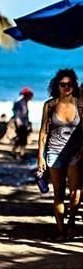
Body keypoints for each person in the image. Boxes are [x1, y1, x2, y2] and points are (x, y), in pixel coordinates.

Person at [37, 69, 83, 240]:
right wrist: (40, 157)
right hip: (54, 152)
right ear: (57, 86)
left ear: (74, 86)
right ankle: (61, 230)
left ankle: (71, 222)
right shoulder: (50, 105)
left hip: (74, 153)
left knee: (75, 192)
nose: (66, 87)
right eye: (63, 85)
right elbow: (43, 132)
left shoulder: (80, 104)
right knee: (58, 192)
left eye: (70, 84)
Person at [13, 87, 34, 160]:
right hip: (21, 124)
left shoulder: (24, 102)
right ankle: (18, 153)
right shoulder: (20, 102)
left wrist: (28, 124)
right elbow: (16, 112)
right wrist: (18, 120)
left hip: (24, 123)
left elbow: (25, 115)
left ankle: (20, 153)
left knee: (22, 139)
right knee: (21, 139)